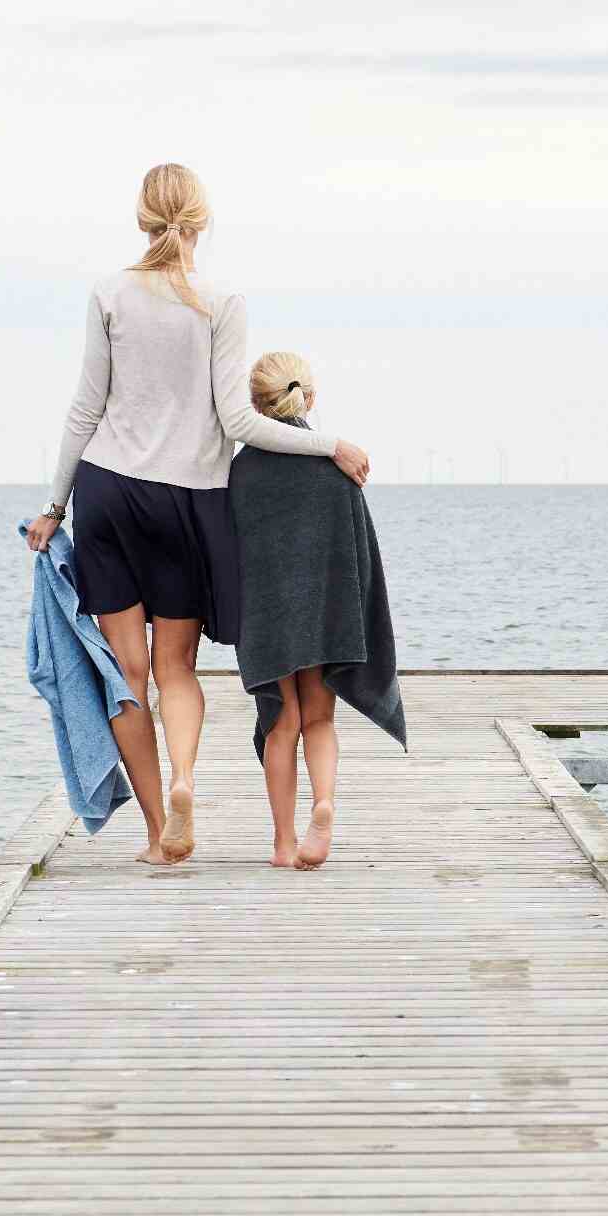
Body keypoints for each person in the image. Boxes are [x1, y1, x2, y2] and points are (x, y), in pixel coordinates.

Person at [25, 163, 371, 864]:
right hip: (188, 500)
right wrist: (328, 445)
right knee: (175, 669)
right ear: (201, 221)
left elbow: (86, 407)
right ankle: (184, 776)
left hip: (109, 490)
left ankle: (160, 832)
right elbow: (239, 418)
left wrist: (53, 507)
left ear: (142, 219)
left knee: (128, 670)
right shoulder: (221, 302)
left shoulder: (109, 293)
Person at [231, 350, 407, 869]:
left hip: (267, 617)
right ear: (309, 398)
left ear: (253, 404)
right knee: (320, 720)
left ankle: (284, 846)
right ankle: (324, 804)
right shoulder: (336, 469)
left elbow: (228, 550)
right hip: (327, 610)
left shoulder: (240, 474)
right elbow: (360, 552)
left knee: (280, 723)